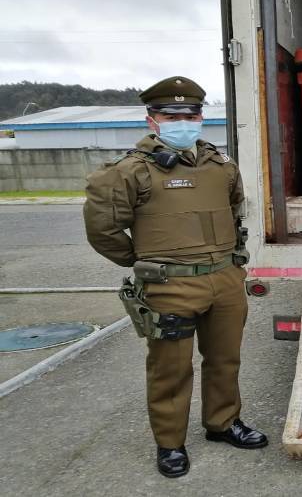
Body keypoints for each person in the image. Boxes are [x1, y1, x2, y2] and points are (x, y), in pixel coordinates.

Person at [83, 76, 267, 478]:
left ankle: (223, 423)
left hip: (225, 280)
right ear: (153, 120)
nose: (183, 121)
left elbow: (235, 210)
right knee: (170, 368)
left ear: (201, 117)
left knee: (224, 360)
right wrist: (144, 260)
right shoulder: (129, 172)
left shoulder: (221, 165)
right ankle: (170, 444)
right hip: (169, 286)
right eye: (171, 115)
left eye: (191, 114)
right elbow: (103, 230)